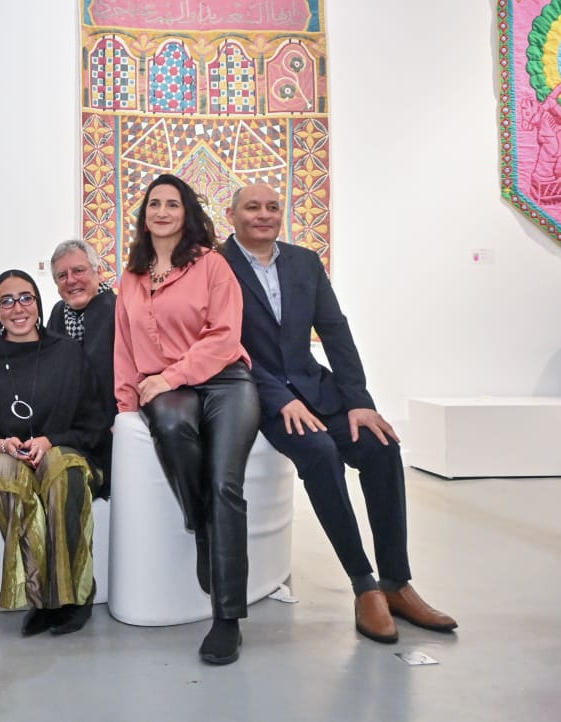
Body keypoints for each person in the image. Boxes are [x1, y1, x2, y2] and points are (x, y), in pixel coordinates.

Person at [220, 182, 457, 644]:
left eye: (273, 206)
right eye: (252, 207)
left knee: (381, 446)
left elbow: (336, 332)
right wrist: (278, 397)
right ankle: (364, 584)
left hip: (317, 388)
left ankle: (396, 583)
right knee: (320, 453)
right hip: (259, 396)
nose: (264, 214)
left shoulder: (304, 262)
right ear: (231, 215)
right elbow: (225, 343)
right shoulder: (215, 266)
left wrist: (360, 402)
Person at [113, 173, 260, 665]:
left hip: (225, 379)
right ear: (144, 216)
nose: (162, 212)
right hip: (165, 387)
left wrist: (173, 375)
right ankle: (202, 527)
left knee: (224, 484)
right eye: (154, 203)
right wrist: (124, 407)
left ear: (186, 213)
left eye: (172, 204)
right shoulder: (131, 278)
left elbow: (224, 335)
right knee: (171, 429)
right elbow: (124, 347)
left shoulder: (212, 265)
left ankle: (227, 618)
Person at [0, 269, 110, 636]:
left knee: (63, 472)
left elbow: (93, 423)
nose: (18, 308)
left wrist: (50, 440)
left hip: (64, 451)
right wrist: (0, 444)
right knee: (6, 474)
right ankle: (42, 597)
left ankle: (74, 597)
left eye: (26, 297)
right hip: (4, 456)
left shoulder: (68, 353)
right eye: (6, 301)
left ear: (39, 304)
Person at [45, 239, 118, 491]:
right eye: (62, 276)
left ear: (98, 271)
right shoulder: (58, 314)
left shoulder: (120, 311)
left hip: (111, 435)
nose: (71, 280)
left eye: (78, 270)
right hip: (69, 436)